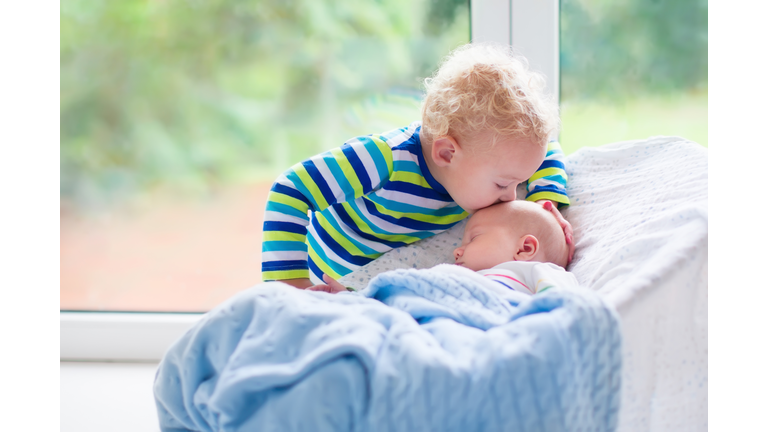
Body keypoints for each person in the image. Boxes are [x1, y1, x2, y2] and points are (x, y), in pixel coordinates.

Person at [262, 42, 573, 290]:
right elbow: (289, 190)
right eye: (503, 184)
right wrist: (292, 286)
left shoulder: (488, 157)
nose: (511, 198)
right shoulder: (383, 159)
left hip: (369, 286)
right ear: (448, 154)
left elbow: (544, 150)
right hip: (324, 274)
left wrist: (544, 203)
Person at [311, 199, 575, 295]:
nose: (456, 251)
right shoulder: (452, 276)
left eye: (473, 239)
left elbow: (567, 308)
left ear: (525, 249)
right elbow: (403, 293)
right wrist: (352, 297)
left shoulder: (535, 274)